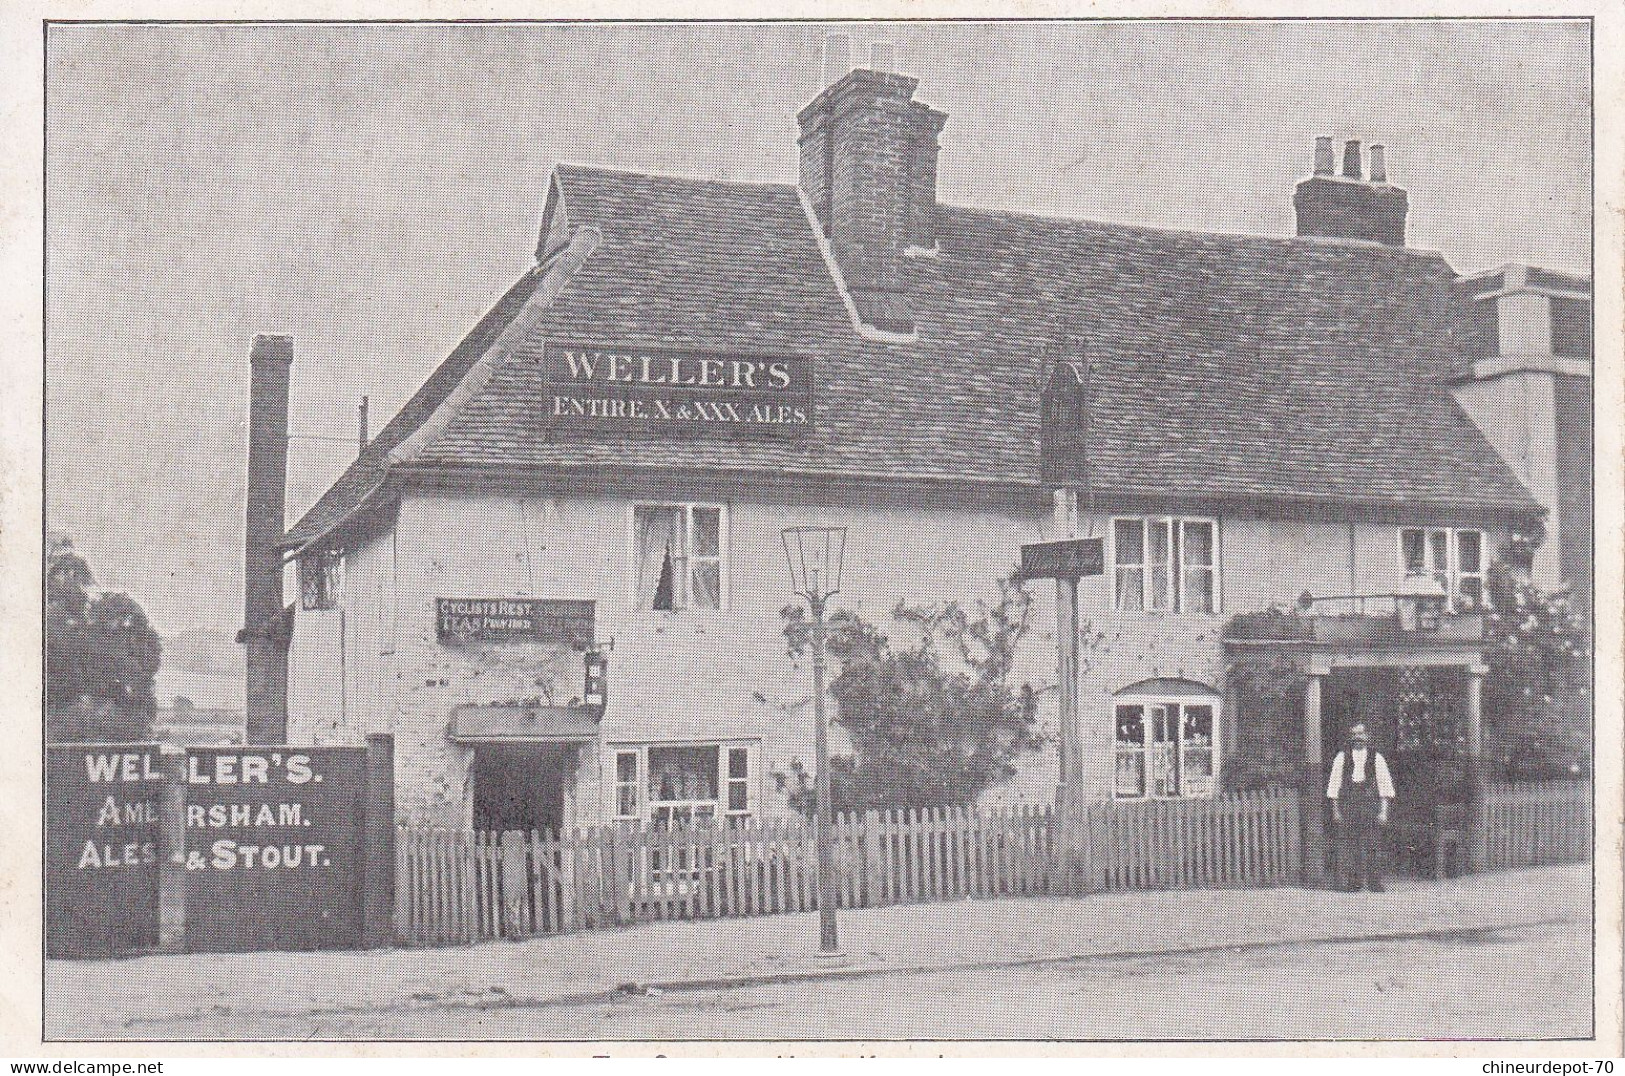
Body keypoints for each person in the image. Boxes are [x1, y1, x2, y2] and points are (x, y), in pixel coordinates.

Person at [1326, 722, 1395, 892]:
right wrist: (1336, 811)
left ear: (1367, 736)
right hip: (1349, 805)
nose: (1358, 737)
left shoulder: (1376, 758)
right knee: (1352, 845)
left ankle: (1374, 882)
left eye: (1361, 734)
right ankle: (1353, 882)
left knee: (1373, 844)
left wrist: (1383, 811)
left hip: (1371, 804)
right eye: (1354, 734)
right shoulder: (1342, 757)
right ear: (1351, 737)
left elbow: (1384, 785)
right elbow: (1334, 785)